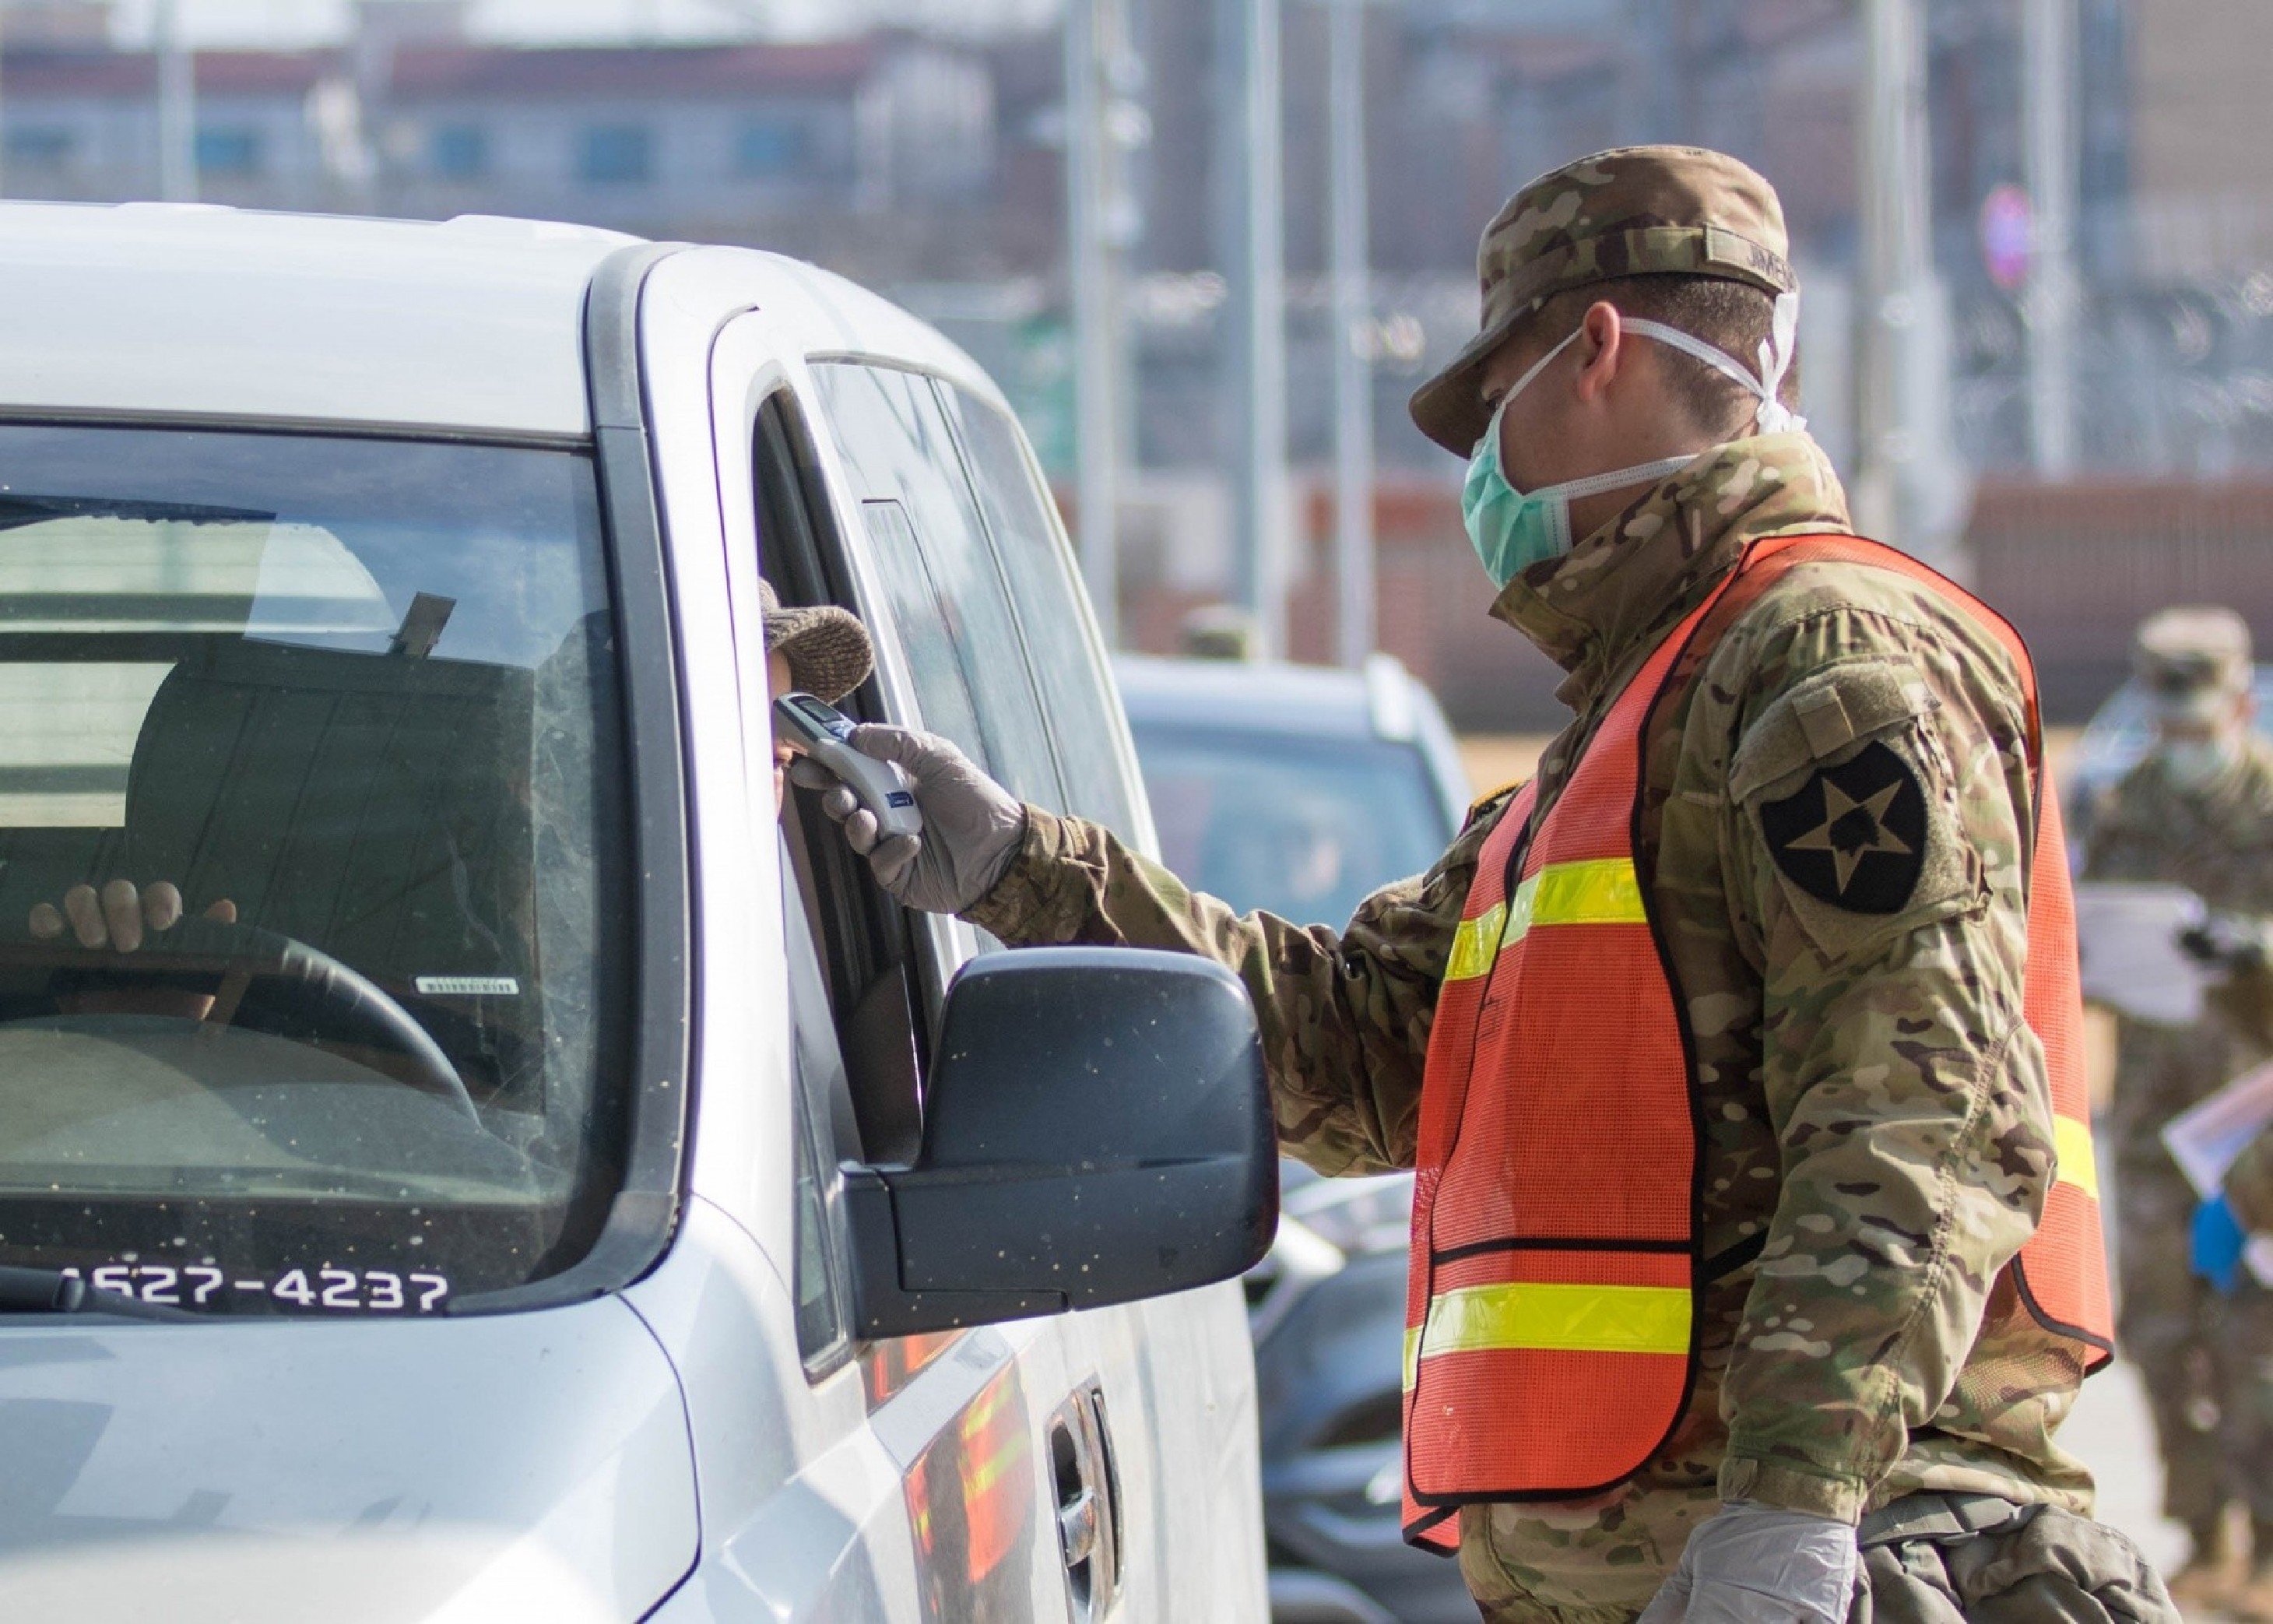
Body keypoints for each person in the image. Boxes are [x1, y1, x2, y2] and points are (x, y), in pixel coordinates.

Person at [794, 146, 2173, 1623]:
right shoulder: (1634, 718)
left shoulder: (1828, 662)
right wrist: (1018, 866)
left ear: (1594, 352)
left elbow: (1924, 1120)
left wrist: (1790, 1512)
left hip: (1820, 1568)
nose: (1479, 471)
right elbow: (1361, 1045)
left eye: (1491, 403)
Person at [2083, 606, 2273, 1616]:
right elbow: (2102, 954)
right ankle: (2202, 1531)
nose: (2184, 747)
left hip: (2256, 1127)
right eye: (2170, 726)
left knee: (2256, 1337)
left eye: (2201, 725)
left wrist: (2256, 954)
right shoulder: (2124, 812)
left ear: (2241, 705)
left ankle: (2268, 1540)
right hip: (2158, 1120)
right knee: (2160, 1331)